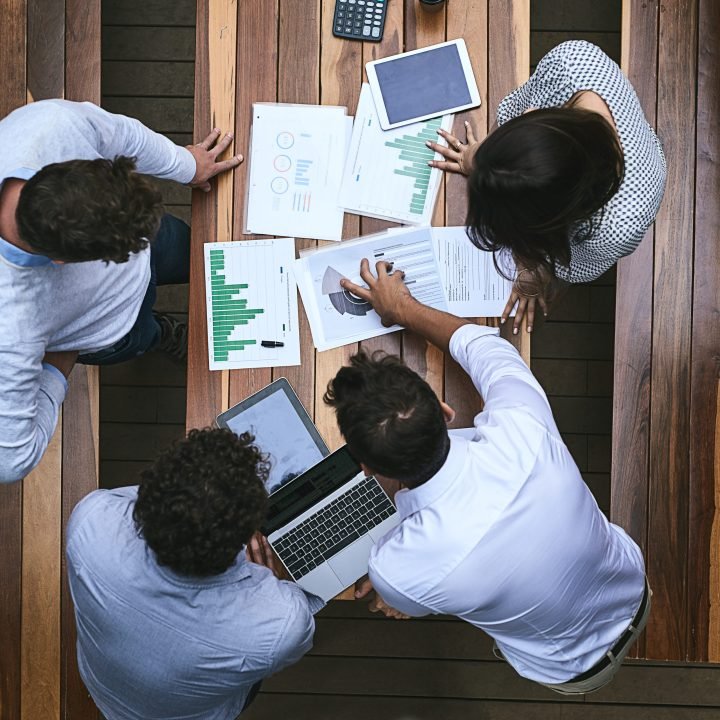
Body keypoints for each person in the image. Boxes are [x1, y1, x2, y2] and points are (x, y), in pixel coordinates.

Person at [324, 258, 650, 695]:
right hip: (631, 586)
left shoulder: (397, 570)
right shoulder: (523, 424)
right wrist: (400, 307)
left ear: (369, 468)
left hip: (565, 668)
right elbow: (480, 344)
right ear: (445, 411)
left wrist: (393, 593)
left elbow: (398, 601)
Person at [0, 99, 240, 483]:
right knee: (145, 337)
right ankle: (161, 334)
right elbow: (12, 460)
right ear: (61, 261)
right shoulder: (9, 331)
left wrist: (188, 165)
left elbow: (122, 134)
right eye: (123, 252)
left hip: (148, 251)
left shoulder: (51, 126)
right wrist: (59, 362)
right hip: (112, 330)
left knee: (197, 253)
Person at [66, 427, 322, 720]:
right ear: (248, 533)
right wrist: (267, 581)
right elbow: (294, 619)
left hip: (103, 684)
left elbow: (135, 503)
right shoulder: (280, 625)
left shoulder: (90, 523)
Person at [428, 40, 666, 334]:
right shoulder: (570, 60)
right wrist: (478, 160)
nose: (528, 110)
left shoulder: (616, 229)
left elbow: (565, 260)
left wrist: (533, 270)